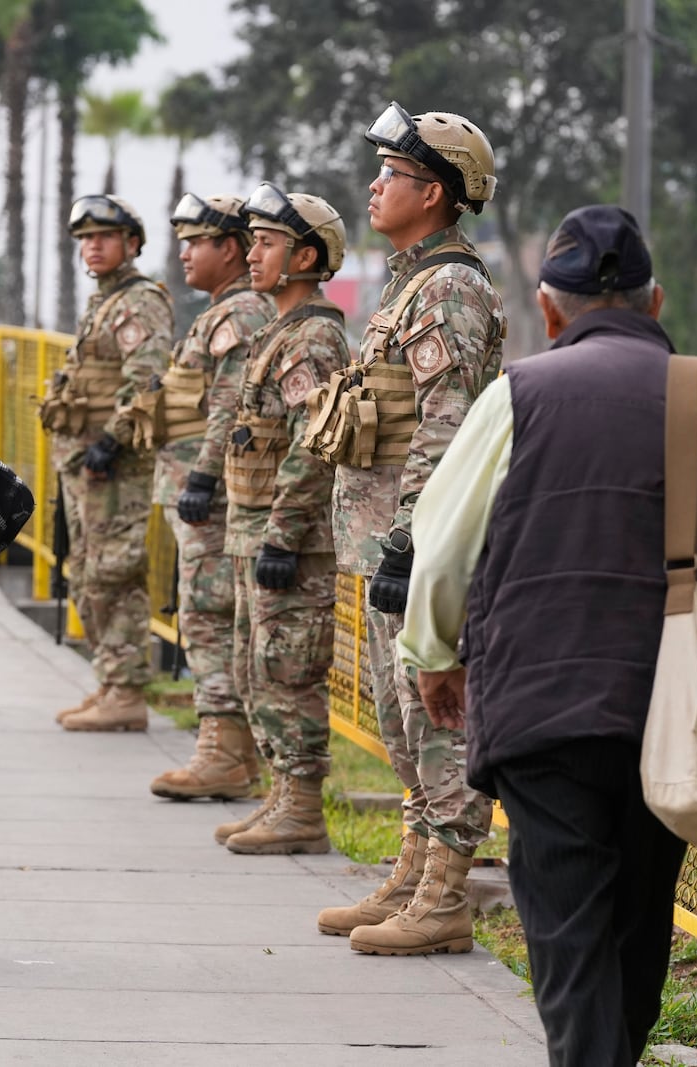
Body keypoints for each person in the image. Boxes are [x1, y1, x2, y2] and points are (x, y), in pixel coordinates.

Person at [399, 205, 697, 1065]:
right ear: (656, 304)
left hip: (541, 711)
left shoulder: (520, 395)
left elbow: (441, 552)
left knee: (570, 936)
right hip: (676, 716)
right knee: (638, 930)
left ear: (548, 311)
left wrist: (432, 655)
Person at [307, 103, 504, 955]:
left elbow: (444, 424)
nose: (375, 186)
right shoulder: (414, 280)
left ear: (434, 193)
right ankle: (415, 864)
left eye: (391, 174)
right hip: (390, 540)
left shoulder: (452, 286)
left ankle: (447, 892)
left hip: (416, 546)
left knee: (435, 715)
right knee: (398, 715)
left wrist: (411, 540)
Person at [212, 185, 350, 854]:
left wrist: (284, 532)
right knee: (256, 667)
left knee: (287, 668)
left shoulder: (313, 337)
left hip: (287, 538)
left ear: (307, 256)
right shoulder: (281, 329)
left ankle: (301, 807)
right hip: (257, 528)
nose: (253, 253)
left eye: (268, 243)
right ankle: (279, 795)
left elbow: (311, 441)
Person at [146, 194, 274, 800]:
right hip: (199, 492)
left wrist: (203, 478)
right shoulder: (222, 310)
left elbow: (228, 405)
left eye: (196, 241)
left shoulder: (240, 313)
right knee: (206, 613)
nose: (184, 253)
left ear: (230, 247)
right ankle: (233, 754)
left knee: (207, 615)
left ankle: (223, 751)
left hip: (213, 500)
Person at [41, 195, 173, 731]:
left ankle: (126, 691)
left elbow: (146, 376)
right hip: (85, 461)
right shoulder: (105, 300)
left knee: (114, 573)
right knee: (89, 570)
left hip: (112, 465)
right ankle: (110, 681)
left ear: (132, 244)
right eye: (85, 239)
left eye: (104, 237)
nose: (92, 246)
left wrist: (112, 441)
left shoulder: (139, 301)